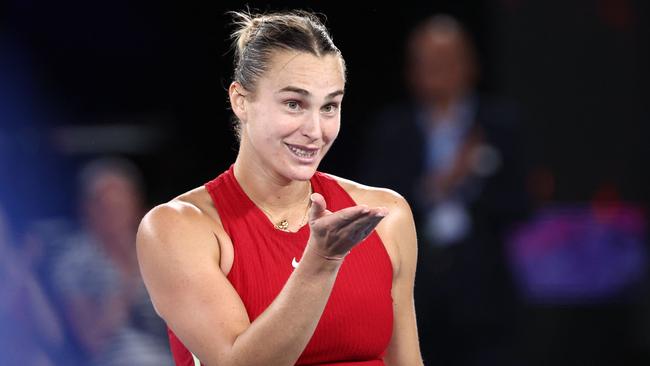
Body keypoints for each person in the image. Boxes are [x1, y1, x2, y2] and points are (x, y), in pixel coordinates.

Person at [136, 10, 423, 366]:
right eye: (294, 104)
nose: (315, 130)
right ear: (241, 100)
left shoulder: (386, 215)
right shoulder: (177, 228)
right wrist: (320, 260)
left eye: (329, 106)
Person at [358, 14, 529, 366]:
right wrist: (439, 185)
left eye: (446, 61)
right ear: (410, 70)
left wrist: (474, 188)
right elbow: (373, 207)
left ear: (469, 65)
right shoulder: (392, 130)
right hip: (414, 294)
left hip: (485, 296)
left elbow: (522, 203)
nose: (436, 71)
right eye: (425, 62)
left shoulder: (500, 124)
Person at [45, 157, 172, 365]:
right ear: (88, 209)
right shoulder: (74, 261)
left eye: (121, 206)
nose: (115, 216)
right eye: (106, 208)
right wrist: (129, 273)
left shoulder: (158, 250)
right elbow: (91, 340)